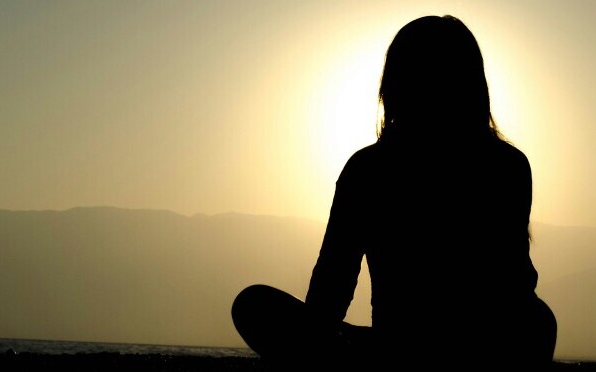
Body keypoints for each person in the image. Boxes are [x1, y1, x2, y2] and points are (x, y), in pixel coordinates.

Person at [232, 15, 556, 369]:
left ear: (394, 85)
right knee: (538, 321)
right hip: (472, 350)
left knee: (254, 306)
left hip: (406, 352)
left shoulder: (368, 169)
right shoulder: (507, 164)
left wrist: (315, 344)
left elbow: (331, 287)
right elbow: (515, 284)